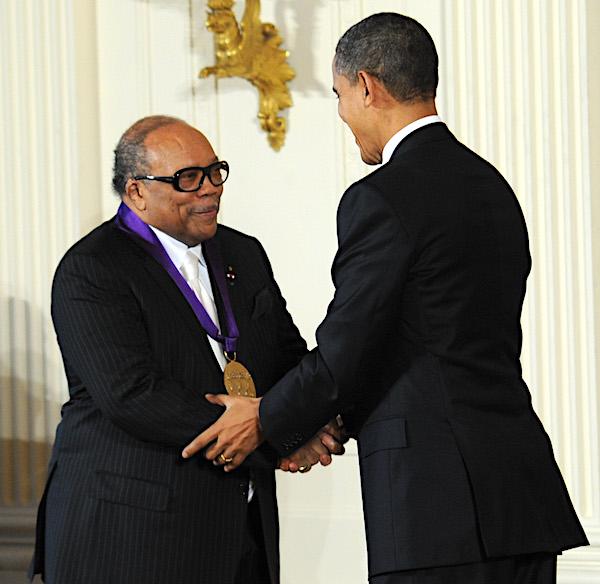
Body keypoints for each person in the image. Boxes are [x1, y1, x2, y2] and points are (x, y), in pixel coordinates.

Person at [182, 13, 589, 583]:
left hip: (437, 503)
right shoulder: (492, 185)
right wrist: (321, 423)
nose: (345, 115)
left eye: (340, 95)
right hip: (520, 494)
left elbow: (348, 349)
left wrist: (268, 420)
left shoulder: (380, 197)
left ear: (368, 86)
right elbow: (425, 338)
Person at [29, 115, 342, 584]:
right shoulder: (92, 269)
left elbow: (285, 354)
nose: (210, 189)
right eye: (188, 179)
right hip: (130, 535)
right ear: (135, 192)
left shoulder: (243, 253)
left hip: (239, 530)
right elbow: (132, 395)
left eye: (215, 172)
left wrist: (308, 417)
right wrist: (270, 428)